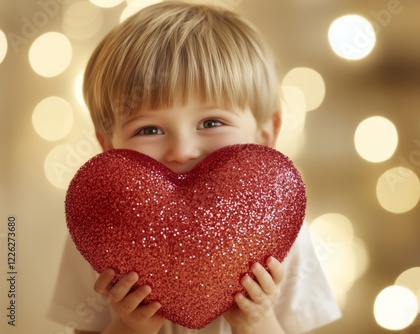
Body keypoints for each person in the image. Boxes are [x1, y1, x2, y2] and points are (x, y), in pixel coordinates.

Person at [48, 1, 341, 333]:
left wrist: (256, 320)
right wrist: (129, 325)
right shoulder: (100, 230)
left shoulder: (281, 236)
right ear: (108, 146)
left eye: (212, 121)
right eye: (149, 130)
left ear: (265, 133)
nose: (182, 150)